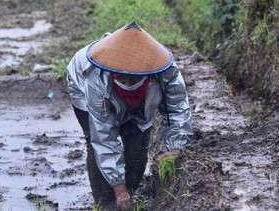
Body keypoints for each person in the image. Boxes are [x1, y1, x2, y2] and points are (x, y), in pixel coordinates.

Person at [66, 21, 192, 211]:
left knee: (138, 142)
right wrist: (118, 189)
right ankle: (104, 203)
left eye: (134, 78)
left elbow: (177, 107)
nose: (128, 81)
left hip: (144, 93)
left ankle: (129, 197)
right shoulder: (96, 80)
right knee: (94, 142)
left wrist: (176, 146)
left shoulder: (164, 69)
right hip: (82, 87)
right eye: (123, 78)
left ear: (148, 72)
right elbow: (104, 137)